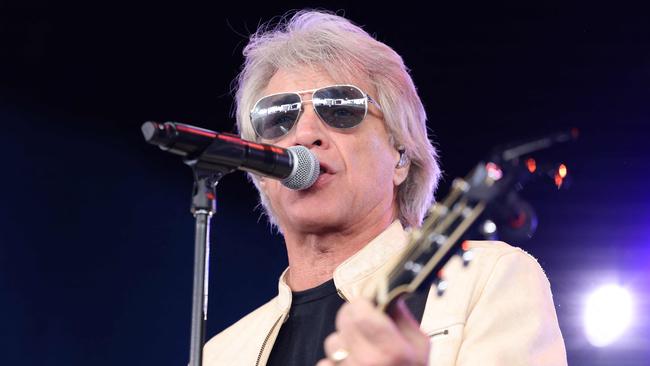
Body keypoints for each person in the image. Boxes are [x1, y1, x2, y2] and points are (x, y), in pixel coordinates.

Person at [203, 10, 567, 366]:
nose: (305, 134)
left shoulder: (487, 280)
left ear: (401, 157)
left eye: (341, 109)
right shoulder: (220, 354)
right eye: (279, 117)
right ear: (262, 172)